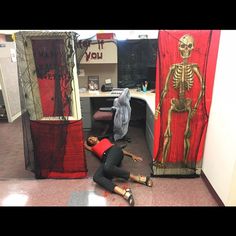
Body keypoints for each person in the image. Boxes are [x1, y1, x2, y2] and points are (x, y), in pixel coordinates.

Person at [84, 135, 153, 206]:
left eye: (91, 137)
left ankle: (137, 178)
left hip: (114, 151)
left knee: (107, 167)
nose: (91, 139)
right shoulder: (93, 148)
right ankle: (125, 193)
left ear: (96, 137)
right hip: (106, 161)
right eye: (90, 140)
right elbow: (84, 144)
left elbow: (118, 149)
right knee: (96, 177)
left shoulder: (104, 140)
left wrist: (132, 155)